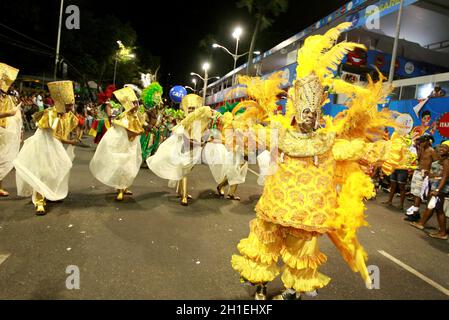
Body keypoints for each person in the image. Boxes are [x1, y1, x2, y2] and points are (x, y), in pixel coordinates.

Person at [229, 23, 401, 300]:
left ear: (319, 112)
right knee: (263, 247)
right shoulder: (279, 134)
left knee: (301, 257)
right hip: (275, 207)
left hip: (307, 216)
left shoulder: (329, 142)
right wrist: (234, 126)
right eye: (304, 111)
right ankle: (260, 286)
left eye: (313, 112)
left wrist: (392, 151)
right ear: (296, 111)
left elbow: (361, 150)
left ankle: (291, 291)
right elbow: (249, 134)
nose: (309, 116)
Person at [13, 81, 79, 215]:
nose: (71, 107)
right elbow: (55, 135)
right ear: (60, 103)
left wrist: (74, 138)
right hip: (43, 144)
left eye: (71, 104)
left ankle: (50, 193)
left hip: (55, 145)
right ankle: (39, 201)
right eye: (68, 104)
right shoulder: (48, 114)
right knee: (42, 172)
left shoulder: (68, 115)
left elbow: (64, 132)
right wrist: (71, 141)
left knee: (58, 169)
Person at [148, 94, 215, 206]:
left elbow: (202, 137)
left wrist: (204, 140)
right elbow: (188, 141)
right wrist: (201, 143)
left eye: (194, 109)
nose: (192, 111)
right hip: (183, 151)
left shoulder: (199, 123)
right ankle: (184, 196)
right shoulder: (184, 124)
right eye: (190, 108)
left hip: (194, 152)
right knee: (184, 171)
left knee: (186, 170)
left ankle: (180, 192)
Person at [89, 87, 145, 201]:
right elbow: (123, 133)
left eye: (136, 102)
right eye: (133, 103)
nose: (136, 105)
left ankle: (124, 187)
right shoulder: (123, 117)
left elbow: (138, 129)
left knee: (129, 168)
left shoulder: (136, 116)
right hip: (123, 148)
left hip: (132, 146)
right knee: (121, 167)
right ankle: (119, 190)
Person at [410, 141, 449, 240]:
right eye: (441, 147)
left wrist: (437, 189)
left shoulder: (446, 161)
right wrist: (430, 174)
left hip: (441, 189)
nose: (441, 149)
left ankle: (443, 233)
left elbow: (445, 177)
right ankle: (424, 224)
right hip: (436, 186)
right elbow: (440, 175)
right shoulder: (442, 160)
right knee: (433, 207)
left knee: (439, 210)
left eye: (445, 148)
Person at [0, 63, 22, 197]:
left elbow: (15, 115)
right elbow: (9, 113)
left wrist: (19, 130)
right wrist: (9, 114)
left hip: (4, 131)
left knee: (1, 158)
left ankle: (0, 186)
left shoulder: (8, 98)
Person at [405, 134, 438, 222]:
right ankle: (415, 213)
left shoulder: (431, 151)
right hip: (417, 172)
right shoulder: (421, 149)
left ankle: (415, 214)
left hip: (424, 175)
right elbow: (418, 157)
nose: (421, 143)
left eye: (423, 142)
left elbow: (436, 164)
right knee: (415, 194)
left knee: (419, 194)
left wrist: (430, 174)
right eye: (420, 142)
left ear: (427, 142)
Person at [382, 133, 416, 210]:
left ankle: (401, 205)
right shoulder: (394, 144)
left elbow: (411, 155)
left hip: (402, 169)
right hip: (394, 167)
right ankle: (389, 201)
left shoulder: (408, 144)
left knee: (401, 187)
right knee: (392, 185)